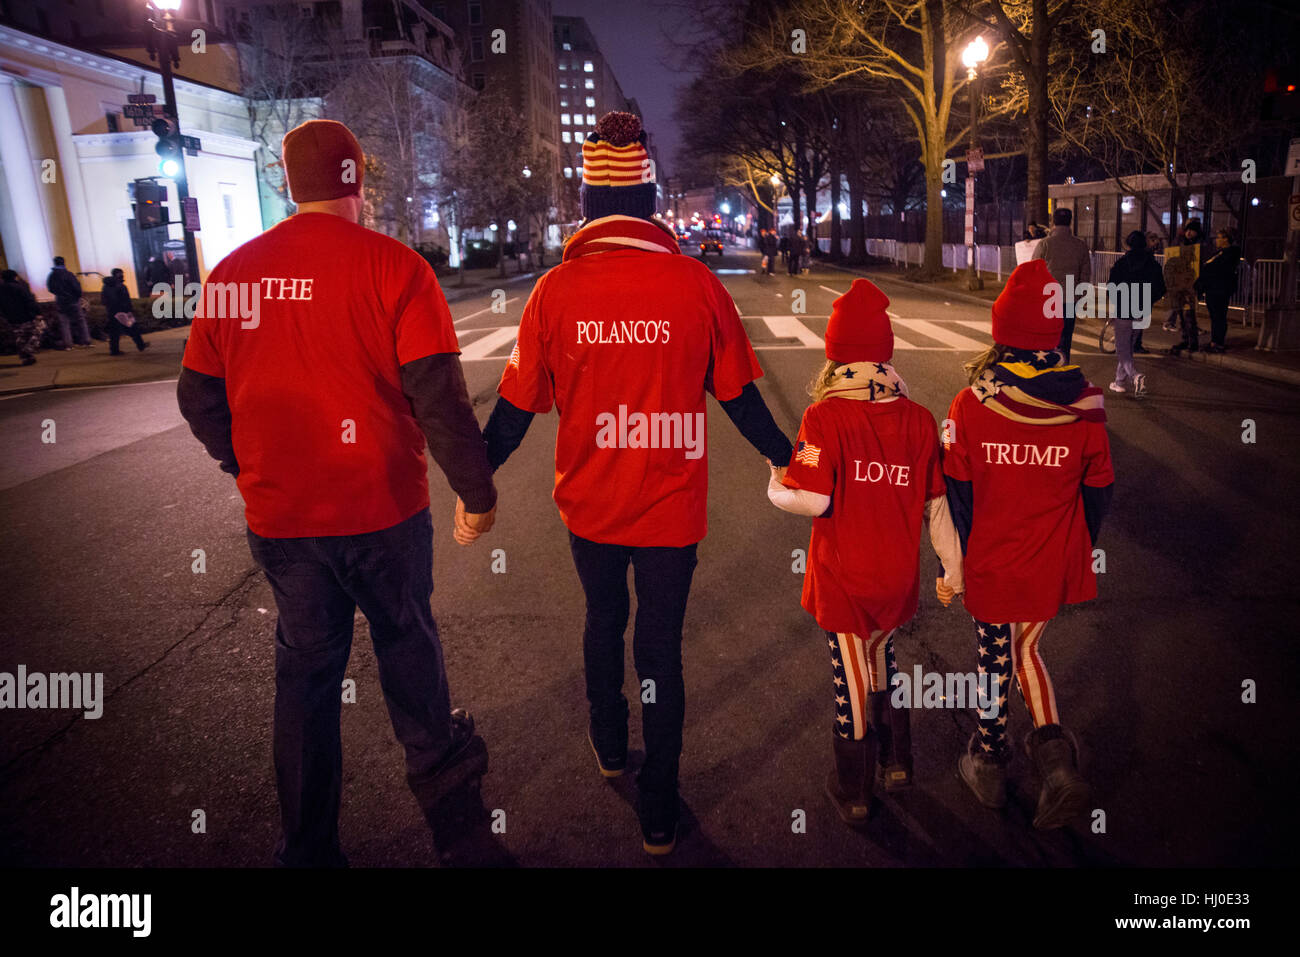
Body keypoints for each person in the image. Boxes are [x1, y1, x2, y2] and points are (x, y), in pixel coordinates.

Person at [177, 119, 497, 867]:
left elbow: (198, 397)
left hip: (284, 517)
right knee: (407, 642)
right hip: (382, 507)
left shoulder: (232, 276)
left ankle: (308, 846)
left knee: (306, 675)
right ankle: (449, 807)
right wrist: (475, 490)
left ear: (289, 184)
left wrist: (245, 461)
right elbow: (439, 398)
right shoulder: (397, 268)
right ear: (356, 178)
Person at [480, 111, 794, 855]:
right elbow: (742, 398)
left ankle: (609, 742)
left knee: (600, 620)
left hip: (589, 506)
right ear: (651, 203)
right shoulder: (695, 286)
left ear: (588, 202)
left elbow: (515, 410)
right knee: (660, 649)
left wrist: (473, 478)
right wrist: (789, 455)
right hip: (671, 511)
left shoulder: (554, 293)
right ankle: (659, 807)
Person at [767, 279, 964, 826]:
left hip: (844, 578)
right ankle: (898, 762)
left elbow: (811, 497)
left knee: (848, 680)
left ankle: (853, 787)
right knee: (882, 661)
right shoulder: (921, 420)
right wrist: (954, 569)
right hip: (896, 578)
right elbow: (937, 507)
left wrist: (776, 482)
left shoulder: (823, 419)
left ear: (835, 359)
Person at [942, 259, 1114, 831]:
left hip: (991, 559)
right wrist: (1076, 545)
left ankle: (990, 762)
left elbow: (957, 495)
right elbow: (1099, 493)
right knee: (1026, 654)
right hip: (1047, 562)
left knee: (994, 658)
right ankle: (1056, 766)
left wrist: (959, 562)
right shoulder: (1087, 406)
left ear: (1001, 333)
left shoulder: (973, 403)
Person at [1105, 231, 1164, 398]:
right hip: (1142, 309)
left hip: (1124, 309)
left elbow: (1112, 286)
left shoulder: (1122, 263)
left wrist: (1117, 301)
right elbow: (1161, 288)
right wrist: (1149, 301)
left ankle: (1135, 375)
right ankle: (1119, 382)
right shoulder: (1152, 264)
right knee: (1128, 346)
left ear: (1128, 244)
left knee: (1122, 348)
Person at [1030, 207, 1091, 361]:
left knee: (1047, 337)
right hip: (1070, 298)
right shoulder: (1080, 245)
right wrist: (1080, 296)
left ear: (1053, 222)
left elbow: (1034, 270)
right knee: (1066, 337)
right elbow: (1085, 274)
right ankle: (1063, 369)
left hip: (1048, 299)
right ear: (1070, 222)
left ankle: (1047, 370)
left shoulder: (1045, 244)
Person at [1196, 227, 1241, 354]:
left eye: (1219, 237)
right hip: (1213, 289)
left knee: (1218, 316)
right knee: (1215, 316)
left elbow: (1217, 270)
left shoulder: (1230, 254)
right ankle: (1214, 341)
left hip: (1220, 289)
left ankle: (1218, 342)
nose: (1216, 240)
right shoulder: (1219, 253)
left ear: (1226, 239)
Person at [1165, 220, 1203, 354]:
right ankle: (1186, 339)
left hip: (1190, 284)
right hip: (1179, 283)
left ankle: (1192, 341)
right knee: (1182, 313)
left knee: (1189, 314)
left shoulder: (1200, 245)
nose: (1188, 233)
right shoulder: (1180, 242)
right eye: (1187, 230)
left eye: (1191, 230)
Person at [100, 268, 149, 356]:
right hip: (123, 311)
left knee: (114, 332)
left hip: (112, 312)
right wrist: (128, 310)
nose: (122, 275)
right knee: (133, 328)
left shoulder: (105, 286)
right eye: (121, 274)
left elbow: (104, 300)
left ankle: (114, 350)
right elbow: (125, 300)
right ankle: (140, 345)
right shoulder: (121, 286)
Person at [45, 256, 91, 350]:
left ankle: (68, 344)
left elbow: (50, 288)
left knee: (64, 322)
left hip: (61, 300)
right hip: (73, 300)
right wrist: (77, 296)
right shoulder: (68, 274)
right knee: (80, 320)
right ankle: (86, 341)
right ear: (63, 263)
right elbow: (76, 287)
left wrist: (59, 294)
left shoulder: (52, 275)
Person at [0, 269, 44, 366]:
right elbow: (29, 301)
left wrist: (5, 315)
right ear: (15, 277)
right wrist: (37, 312)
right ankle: (28, 351)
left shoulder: (1, 290)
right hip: (26, 316)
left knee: (20, 337)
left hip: (11, 318)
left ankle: (27, 357)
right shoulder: (20, 287)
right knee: (36, 332)